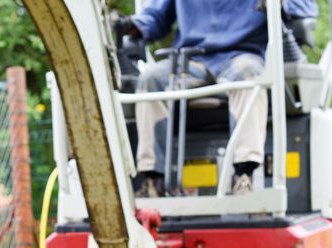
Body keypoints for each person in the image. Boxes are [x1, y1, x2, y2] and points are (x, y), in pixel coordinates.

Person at [118, 0, 318, 197]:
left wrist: (280, 5)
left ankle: (243, 176)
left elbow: (302, 9)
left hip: (242, 55)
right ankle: (153, 180)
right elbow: (155, 17)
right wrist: (131, 26)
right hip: (192, 60)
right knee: (151, 78)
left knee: (249, 75)